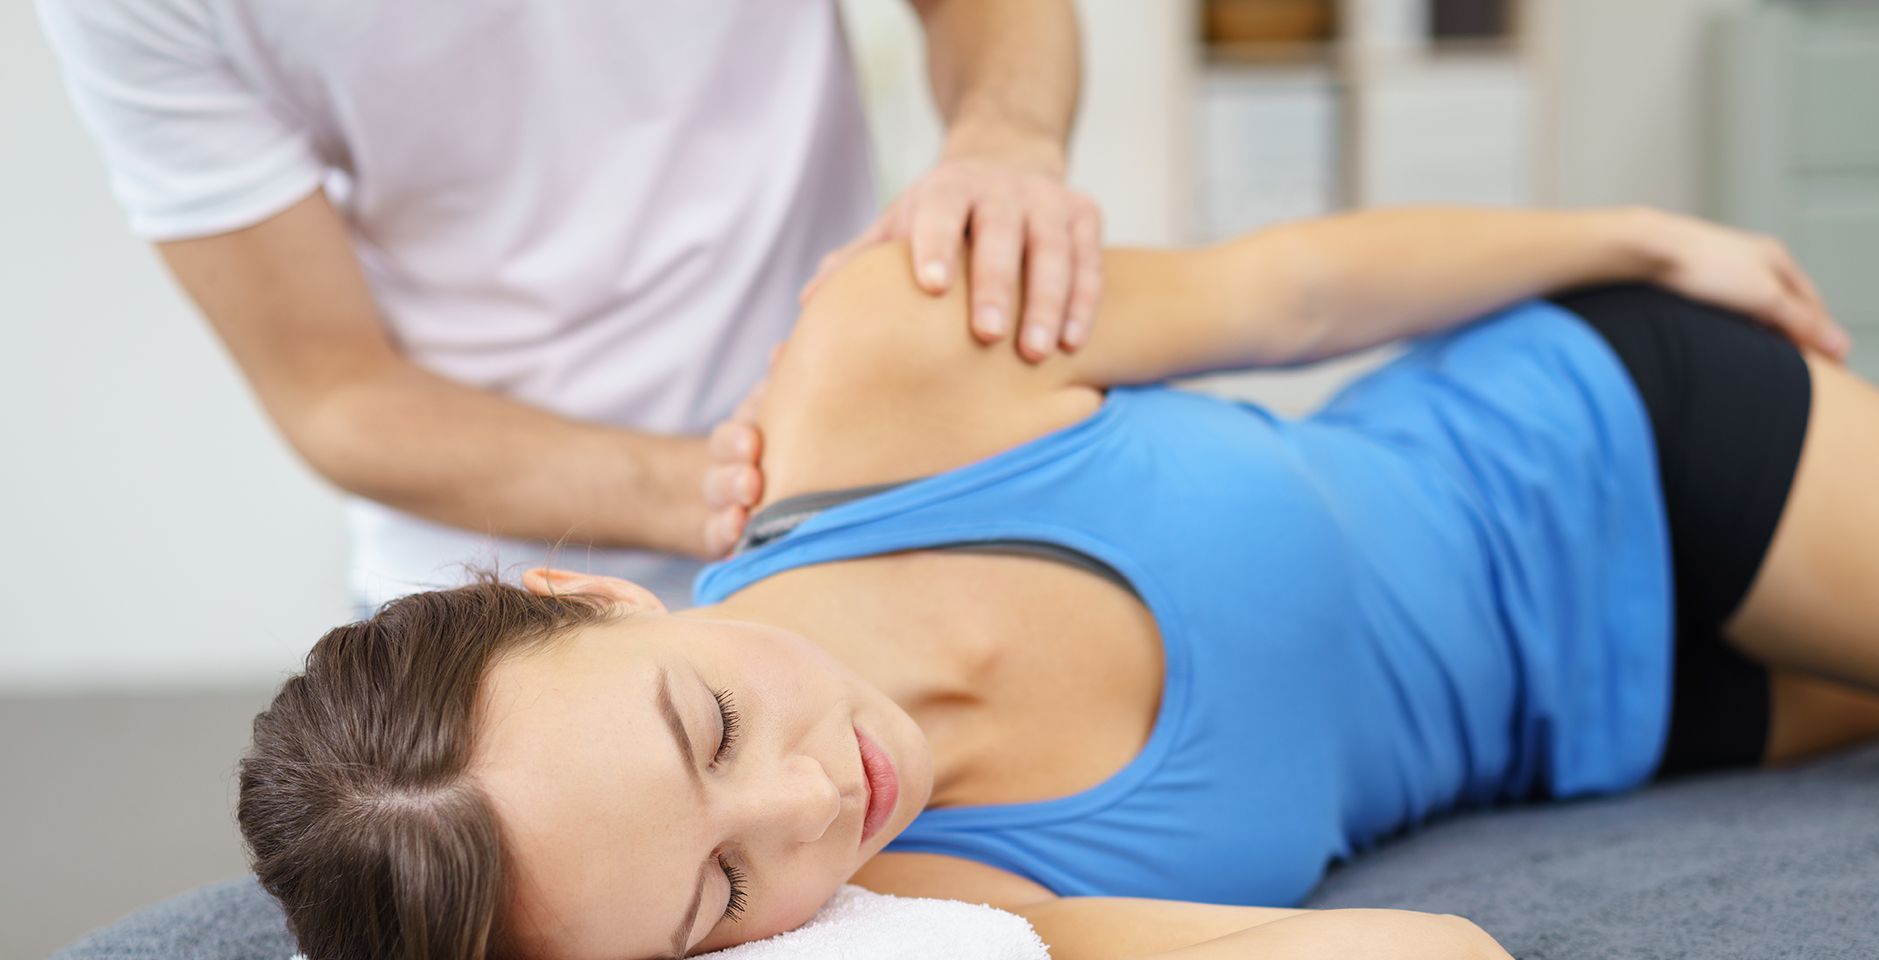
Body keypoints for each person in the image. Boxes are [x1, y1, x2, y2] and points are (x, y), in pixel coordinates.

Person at [234, 201, 1879, 960]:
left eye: (715, 727)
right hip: (1631, 730)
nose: (818, 805)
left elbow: (1289, 297)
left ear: (586, 590)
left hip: (1626, 443)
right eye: (721, 891)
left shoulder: (881, 371)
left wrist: (1636, 236)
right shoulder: (935, 907)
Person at [32, 0, 1102, 613]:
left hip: (875, 512)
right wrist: (728, 490)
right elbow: (334, 392)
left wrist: (1003, 142)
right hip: (496, 597)